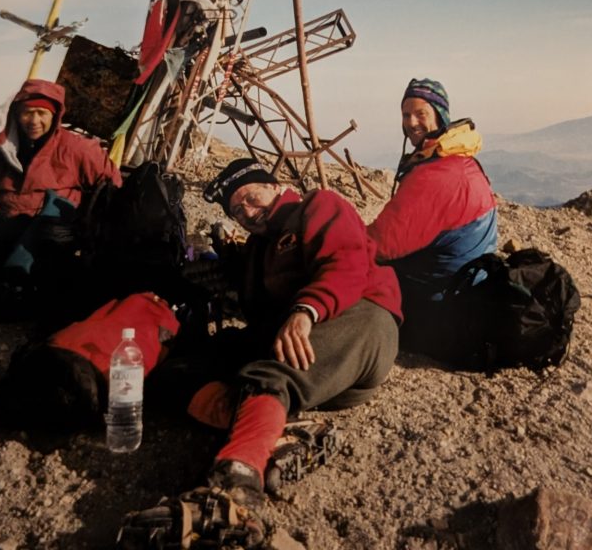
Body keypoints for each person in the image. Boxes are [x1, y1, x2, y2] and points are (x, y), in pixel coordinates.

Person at [118, 157, 401, 547]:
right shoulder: (257, 249)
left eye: (251, 197)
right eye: (238, 210)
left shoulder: (318, 206)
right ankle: (277, 434)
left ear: (273, 185)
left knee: (269, 373)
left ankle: (235, 489)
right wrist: (222, 282)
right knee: (179, 371)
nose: (248, 212)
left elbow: (346, 264)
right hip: (296, 341)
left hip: (361, 321)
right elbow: (256, 307)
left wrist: (306, 310)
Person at [0, 78, 121, 322]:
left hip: (54, 235)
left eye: (41, 113)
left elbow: (111, 188)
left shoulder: (78, 149)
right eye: (27, 113)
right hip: (4, 226)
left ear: (54, 115)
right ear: (16, 114)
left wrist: (89, 227)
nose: (34, 121)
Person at [367, 77, 498, 356]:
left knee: (355, 277)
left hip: (438, 305)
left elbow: (380, 245)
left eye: (420, 113)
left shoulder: (437, 175)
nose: (411, 122)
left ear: (439, 116)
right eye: (406, 114)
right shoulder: (463, 160)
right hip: (468, 288)